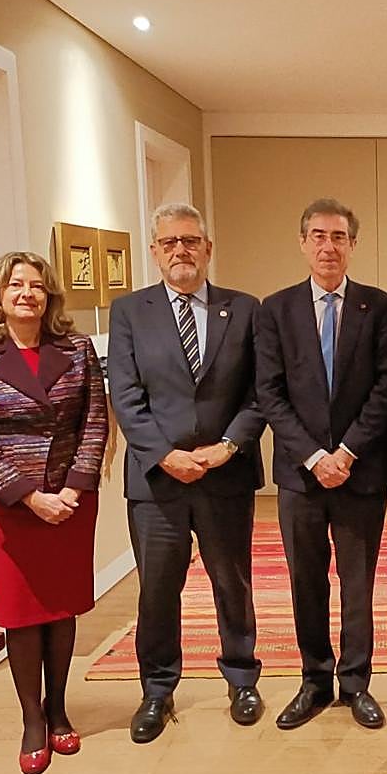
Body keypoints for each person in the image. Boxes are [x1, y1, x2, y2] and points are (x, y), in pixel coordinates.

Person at [108, 203, 267, 743]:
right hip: (157, 481)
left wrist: (227, 447)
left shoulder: (243, 309)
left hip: (226, 475)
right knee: (158, 589)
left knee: (233, 583)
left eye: (191, 241)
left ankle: (242, 679)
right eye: (170, 242)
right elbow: (125, 395)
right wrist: (164, 455)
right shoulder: (130, 312)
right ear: (154, 250)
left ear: (208, 248)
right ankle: (157, 689)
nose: (181, 250)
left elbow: (259, 393)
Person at [0, 251, 108, 774]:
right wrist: (29, 496)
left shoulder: (77, 349)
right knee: (20, 615)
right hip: (6, 507)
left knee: (62, 610)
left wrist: (74, 489)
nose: (27, 294)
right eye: (16, 285)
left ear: (50, 296)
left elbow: (95, 422)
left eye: (37, 286)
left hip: (69, 503)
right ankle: (32, 720)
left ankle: (59, 709)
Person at [256, 197, 387, 730]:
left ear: (353, 244)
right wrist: (316, 456)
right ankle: (314, 680)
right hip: (301, 476)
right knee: (306, 582)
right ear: (303, 243)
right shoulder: (276, 309)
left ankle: (356, 682)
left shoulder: (378, 306)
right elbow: (270, 393)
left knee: (358, 584)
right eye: (318, 235)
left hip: (360, 472)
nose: (328, 246)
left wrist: (348, 451)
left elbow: (386, 387)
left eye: (339, 236)